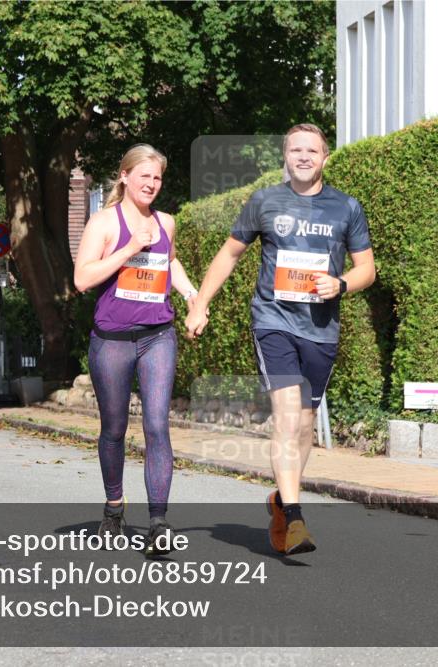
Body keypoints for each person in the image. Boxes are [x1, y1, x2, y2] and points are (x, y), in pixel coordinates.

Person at [185, 124, 375, 555]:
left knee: (304, 425)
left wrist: (341, 284)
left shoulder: (347, 207)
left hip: (321, 329)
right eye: (295, 150)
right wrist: (201, 305)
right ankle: (294, 516)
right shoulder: (265, 200)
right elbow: (230, 253)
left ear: (325, 157)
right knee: (288, 416)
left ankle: (280, 501)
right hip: (273, 321)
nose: (304, 157)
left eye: (312, 151)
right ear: (285, 157)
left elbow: (367, 268)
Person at [74, 144, 199, 556]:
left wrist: (193, 297)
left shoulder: (166, 222)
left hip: (157, 336)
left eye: (157, 177)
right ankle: (114, 508)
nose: (151, 184)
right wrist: (129, 249)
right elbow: (82, 279)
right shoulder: (103, 222)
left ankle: (158, 522)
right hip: (112, 339)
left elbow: (170, 263)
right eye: (144, 175)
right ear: (124, 176)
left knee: (157, 425)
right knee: (114, 428)